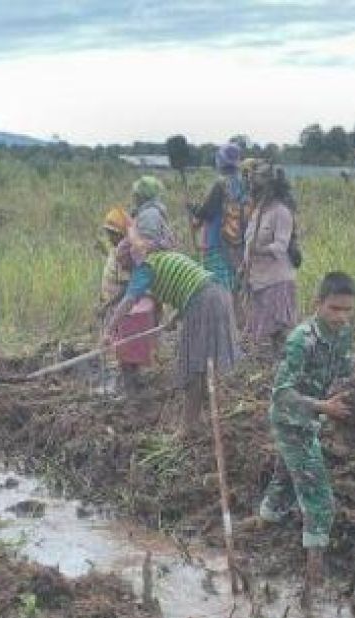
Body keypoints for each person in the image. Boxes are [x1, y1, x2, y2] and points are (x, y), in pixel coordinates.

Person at [258, 272, 355, 604]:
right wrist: (324, 407)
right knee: (320, 499)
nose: (341, 317)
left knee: (285, 481)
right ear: (318, 305)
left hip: (315, 418)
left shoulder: (343, 335)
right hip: (291, 421)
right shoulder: (302, 339)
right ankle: (314, 582)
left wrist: (347, 403)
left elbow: (344, 375)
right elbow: (282, 394)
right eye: (334, 309)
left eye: (347, 310)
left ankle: (262, 528)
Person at [103, 229, 238, 436]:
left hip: (203, 302)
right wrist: (177, 316)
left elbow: (128, 302)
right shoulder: (161, 258)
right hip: (218, 296)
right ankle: (200, 420)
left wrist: (109, 330)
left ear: (131, 261)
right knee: (201, 364)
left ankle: (187, 427)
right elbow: (189, 283)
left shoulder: (145, 269)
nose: (127, 272)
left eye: (125, 266)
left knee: (192, 366)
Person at [98, 207, 157, 395]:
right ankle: (129, 385)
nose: (110, 238)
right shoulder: (119, 251)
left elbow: (126, 289)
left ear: (122, 234)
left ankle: (131, 388)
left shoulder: (128, 255)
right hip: (120, 310)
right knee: (122, 351)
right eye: (108, 234)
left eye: (113, 234)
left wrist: (107, 306)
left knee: (127, 351)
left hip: (128, 312)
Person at [242, 161, 298, 357]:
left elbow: (281, 246)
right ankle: (274, 362)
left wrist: (259, 249)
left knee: (279, 330)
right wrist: (245, 262)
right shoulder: (258, 212)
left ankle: (283, 364)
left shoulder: (281, 212)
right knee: (265, 329)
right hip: (258, 278)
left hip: (277, 279)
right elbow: (248, 241)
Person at [188, 142, 249, 293]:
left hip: (216, 243)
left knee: (218, 289)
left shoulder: (220, 184)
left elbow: (206, 212)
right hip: (237, 245)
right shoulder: (244, 184)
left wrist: (191, 207)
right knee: (234, 288)